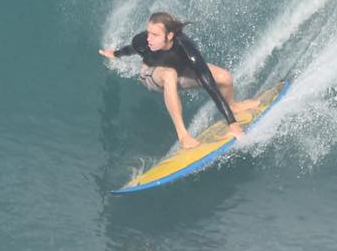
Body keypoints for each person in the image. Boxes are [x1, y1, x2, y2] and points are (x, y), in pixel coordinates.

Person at [99, 11, 260, 149]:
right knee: (169, 74)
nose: (149, 38)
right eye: (149, 32)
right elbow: (130, 49)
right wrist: (114, 54)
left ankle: (232, 105)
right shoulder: (143, 41)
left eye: (155, 35)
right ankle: (183, 136)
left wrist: (233, 125)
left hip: (182, 74)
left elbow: (208, 82)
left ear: (169, 36)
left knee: (224, 77)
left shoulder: (187, 48)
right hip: (152, 75)